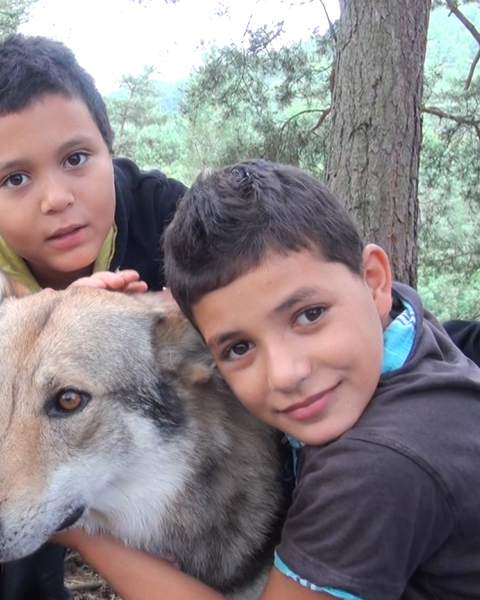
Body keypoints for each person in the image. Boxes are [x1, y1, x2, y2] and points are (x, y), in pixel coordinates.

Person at [54, 160, 480, 599]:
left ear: (374, 281)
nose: (285, 374)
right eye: (239, 348)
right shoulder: (396, 325)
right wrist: (104, 328)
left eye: (309, 316)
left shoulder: (375, 467)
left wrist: (83, 533)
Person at [0, 34, 186, 599]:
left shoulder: (170, 219)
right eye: (15, 179)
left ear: (110, 150)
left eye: (76, 159)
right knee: (3, 533)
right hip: (19, 463)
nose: (56, 198)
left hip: (154, 447)